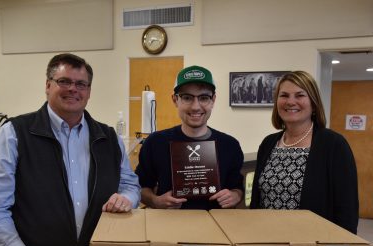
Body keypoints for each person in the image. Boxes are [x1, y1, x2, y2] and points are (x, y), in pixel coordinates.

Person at [0, 53, 141, 246]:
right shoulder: (15, 134)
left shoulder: (108, 137)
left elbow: (130, 184)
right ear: (48, 85)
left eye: (81, 84)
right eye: (64, 81)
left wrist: (126, 198)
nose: (73, 89)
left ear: (89, 91)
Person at [250, 70, 358, 233]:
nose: (290, 102)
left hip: (312, 244)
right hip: (268, 240)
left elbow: (347, 208)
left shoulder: (334, 144)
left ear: (313, 103)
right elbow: (257, 201)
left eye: (300, 95)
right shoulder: (269, 143)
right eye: (284, 95)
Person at [135, 65, 244, 210]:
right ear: (175, 100)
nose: (195, 107)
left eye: (204, 98)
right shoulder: (155, 143)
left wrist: (235, 196)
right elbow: (140, 187)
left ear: (213, 100)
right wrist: (155, 201)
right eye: (187, 98)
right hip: (169, 227)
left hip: (215, 227)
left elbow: (237, 188)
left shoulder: (230, 145)